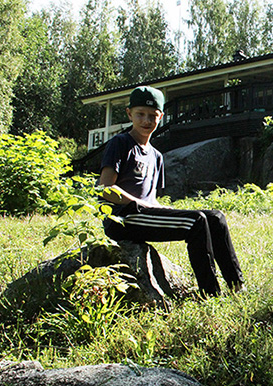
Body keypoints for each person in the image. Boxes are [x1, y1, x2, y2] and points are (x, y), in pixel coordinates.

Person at [98, 86, 244, 297]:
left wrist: (159, 208)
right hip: (122, 219)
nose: (146, 120)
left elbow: (151, 198)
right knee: (196, 222)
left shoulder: (156, 156)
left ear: (161, 117)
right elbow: (106, 190)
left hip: (144, 214)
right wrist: (141, 205)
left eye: (152, 116)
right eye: (140, 114)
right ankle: (210, 294)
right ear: (129, 114)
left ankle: (236, 285)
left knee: (215, 218)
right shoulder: (119, 144)